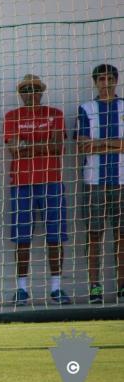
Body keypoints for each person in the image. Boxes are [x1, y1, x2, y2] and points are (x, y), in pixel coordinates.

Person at [4, 74, 70, 306]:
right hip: (22, 183)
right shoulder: (12, 116)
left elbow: (58, 146)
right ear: (20, 93)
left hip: (52, 181)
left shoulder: (55, 113)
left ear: (41, 91)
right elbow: (14, 150)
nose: (30, 93)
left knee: (56, 236)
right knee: (22, 237)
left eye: (34, 89)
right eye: (25, 89)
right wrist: (41, 146)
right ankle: (22, 289)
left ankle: (56, 288)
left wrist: (26, 145)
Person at [76, 64, 124, 302]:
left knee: (121, 235)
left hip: (122, 181)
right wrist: (116, 144)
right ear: (95, 82)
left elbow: (93, 145)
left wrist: (99, 144)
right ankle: (94, 287)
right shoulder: (86, 108)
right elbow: (83, 146)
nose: (106, 83)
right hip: (94, 181)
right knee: (94, 235)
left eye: (110, 78)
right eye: (101, 79)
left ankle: (122, 286)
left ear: (116, 81)